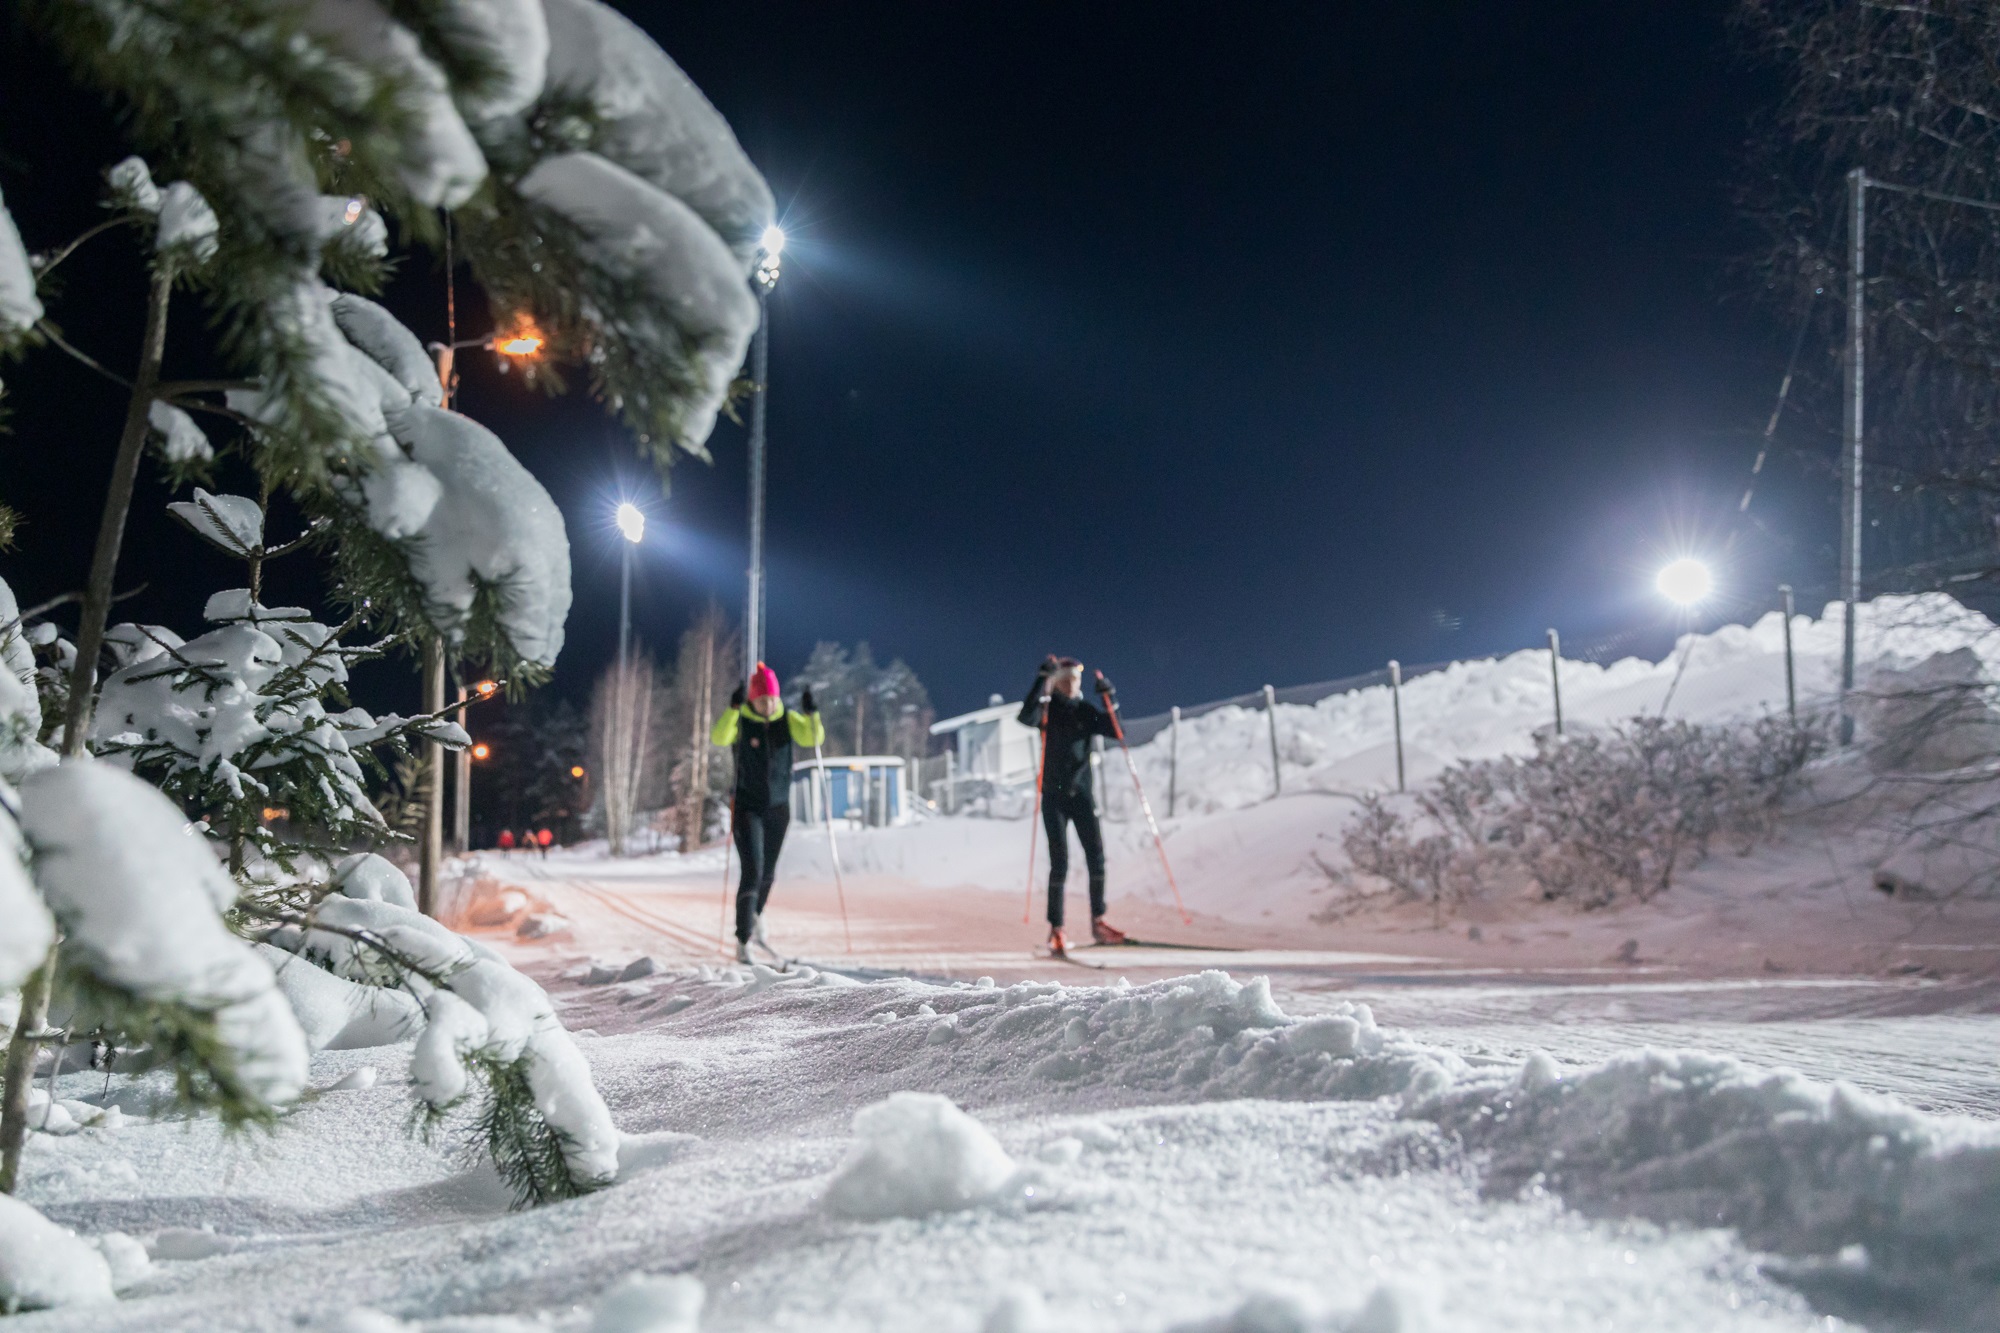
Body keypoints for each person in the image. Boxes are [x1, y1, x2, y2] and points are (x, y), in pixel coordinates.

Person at [710, 661, 827, 963]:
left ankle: (756, 915)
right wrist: (733, 708)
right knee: (752, 871)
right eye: (763, 700)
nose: (768, 705)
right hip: (747, 807)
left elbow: (813, 739)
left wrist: (812, 713)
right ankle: (742, 938)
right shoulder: (742, 720)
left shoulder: (787, 720)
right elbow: (719, 738)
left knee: (768, 874)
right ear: (752, 698)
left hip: (778, 808)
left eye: (772, 699)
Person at [1020, 655, 1127, 955]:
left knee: (1096, 856)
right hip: (1053, 797)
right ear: (1057, 682)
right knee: (1060, 863)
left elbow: (1117, 731)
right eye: (1066, 680)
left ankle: (1099, 921)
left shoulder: (1084, 710)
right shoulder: (1046, 709)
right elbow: (1024, 718)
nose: (1072, 685)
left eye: (1075, 680)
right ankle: (1057, 928)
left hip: (1082, 795)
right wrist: (1041, 679)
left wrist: (1109, 696)